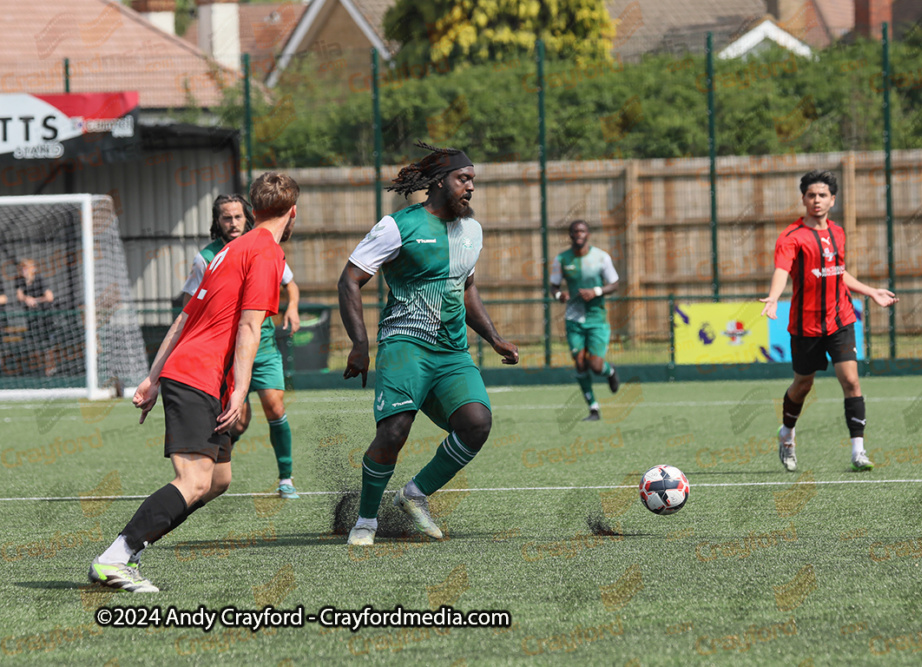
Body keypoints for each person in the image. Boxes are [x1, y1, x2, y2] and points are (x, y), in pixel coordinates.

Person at [88, 172, 298, 592]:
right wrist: (239, 390)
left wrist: (152, 377)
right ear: (293, 213)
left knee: (217, 481)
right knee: (194, 480)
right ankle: (116, 556)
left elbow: (186, 315)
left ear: (253, 212)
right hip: (199, 375)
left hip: (190, 372)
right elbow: (250, 326)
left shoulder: (229, 250)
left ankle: (130, 549)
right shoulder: (266, 253)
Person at [338, 141, 519, 547]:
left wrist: (493, 337)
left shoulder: (472, 231)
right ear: (439, 181)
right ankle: (366, 521)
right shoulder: (397, 226)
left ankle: (414, 495)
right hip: (405, 344)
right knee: (394, 432)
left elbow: (467, 288)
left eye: (473, 180)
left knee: (476, 424)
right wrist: (360, 344)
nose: (470, 187)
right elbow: (350, 279)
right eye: (463, 178)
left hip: (452, 353)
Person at [760, 170, 898, 473]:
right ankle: (787, 434)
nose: (816, 200)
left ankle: (858, 452)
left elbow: (839, 272)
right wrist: (772, 297)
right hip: (806, 325)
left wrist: (871, 291)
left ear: (832, 200)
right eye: (811, 195)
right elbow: (782, 270)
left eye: (822, 195)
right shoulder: (791, 238)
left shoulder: (838, 232)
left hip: (841, 318)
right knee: (803, 385)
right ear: (803, 199)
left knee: (851, 381)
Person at [180, 194, 302, 500]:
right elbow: (188, 307)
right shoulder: (206, 257)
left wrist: (293, 307)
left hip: (261, 345)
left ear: (247, 217)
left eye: (237, 217)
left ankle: (286, 478)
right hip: (225, 351)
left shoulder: (264, 248)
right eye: (226, 218)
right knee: (237, 420)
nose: (233, 223)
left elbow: (290, 283)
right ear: (216, 221)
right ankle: (222, 458)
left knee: (274, 406)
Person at [550, 220, 621, 421]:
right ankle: (593, 408)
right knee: (580, 363)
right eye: (575, 231)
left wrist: (596, 291)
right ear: (571, 235)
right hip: (574, 319)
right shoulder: (562, 259)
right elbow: (553, 287)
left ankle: (610, 370)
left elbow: (614, 283)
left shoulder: (601, 257)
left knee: (596, 366)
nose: (579, 234)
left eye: (582, 231)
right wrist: (558, 296)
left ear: (588, 234)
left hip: (597, 318)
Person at [15, 258, 56, 376]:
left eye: (26, 268)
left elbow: (50, 297)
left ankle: (50, 368)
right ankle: (39, 369)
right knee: (35, 343)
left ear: (32, 269)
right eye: (22, 268)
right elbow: (20, 296)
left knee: (48, 344)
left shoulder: (40, 279)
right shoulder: (20, 281)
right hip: (32, 318)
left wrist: (35, 300)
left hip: (45, 316)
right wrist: (26, 298)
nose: (23, 271)